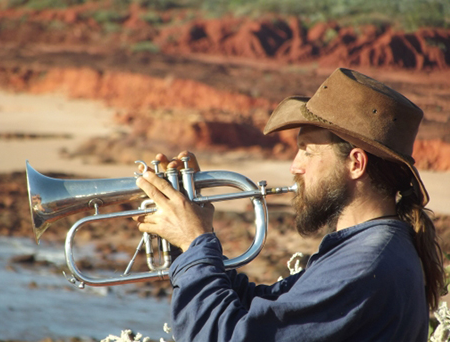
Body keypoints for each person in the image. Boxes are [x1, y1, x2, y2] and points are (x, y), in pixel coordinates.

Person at [134, 68, 445, 341]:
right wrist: (185, 239)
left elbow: (229, 336)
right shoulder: (367, 250)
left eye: (307, 150)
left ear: (356, 164)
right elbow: (261, 312)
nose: (295, 167)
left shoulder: (365, 262)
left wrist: (195, 243)